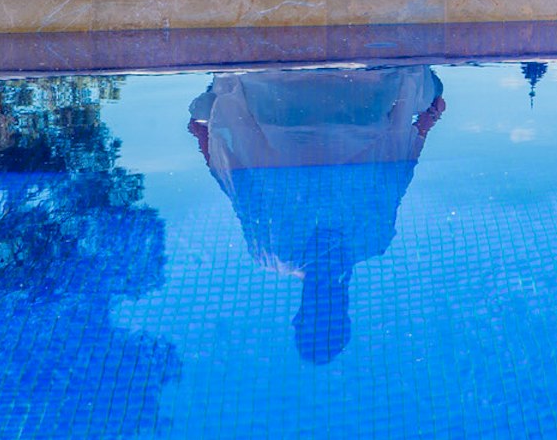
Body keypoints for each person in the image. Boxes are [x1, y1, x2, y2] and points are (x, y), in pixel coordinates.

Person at [186, 65, 446, 364]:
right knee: (208, 106)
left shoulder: (374, 239)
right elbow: (231, 177)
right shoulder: (269, 251)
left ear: (344, 314)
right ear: (299, 315)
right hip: (271, 95)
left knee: (431, 92)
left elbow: (399, 168)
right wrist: (200, 134)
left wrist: (427, 122)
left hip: (364, 94)